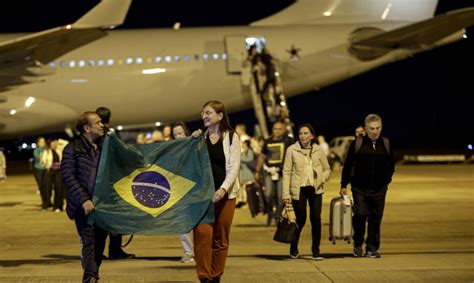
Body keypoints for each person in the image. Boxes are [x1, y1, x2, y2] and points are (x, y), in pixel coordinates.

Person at [192, 100, 240, 283]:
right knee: (203, 235)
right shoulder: (200, 139)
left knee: (221, 238)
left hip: (226, 195)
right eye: (203, 112)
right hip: (203, 197)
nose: (204, 116)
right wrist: (192, 141)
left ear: (219, 116)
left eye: (208, 113)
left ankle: (215, 275)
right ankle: (204, 277)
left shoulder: (231, 137)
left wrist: (223, 189)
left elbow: (234, 168)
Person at [61, 111, 108, 283]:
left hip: (101, 207)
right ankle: (91, 278)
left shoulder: (104, 147)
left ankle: (92, 274)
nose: (102, 125)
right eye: (98, 122)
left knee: (100, 245)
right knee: (89, 242)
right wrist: (83, 199)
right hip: (82, 207)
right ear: (87, 128)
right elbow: (68, 176)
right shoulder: (72, 148)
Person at [340, 114, 395, 259]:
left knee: (376, 218)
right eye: (372, 128)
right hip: (359, 188)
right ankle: (358, 244)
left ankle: (372, 248)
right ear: (366, 129)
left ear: (381, 128)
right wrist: (343, 184)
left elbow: (391, 165)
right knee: (361, 215)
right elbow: (348, 165)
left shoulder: (386, 143)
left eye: (378, 128)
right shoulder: (357, 144)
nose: (375, 131)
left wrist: (386, 181)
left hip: (379, 189)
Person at [282, 124, 331, 260]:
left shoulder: (318, 150)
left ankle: (316, 250)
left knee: (316, 219)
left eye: (305, 133)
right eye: (301, 133)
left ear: (312, 136)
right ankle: (293, 246)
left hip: (316, 189)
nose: (303, 136)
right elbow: (286, 172)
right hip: (299, 190)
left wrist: (322, 178)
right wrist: (286, 194)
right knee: (301, 219)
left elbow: (327, 169)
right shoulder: (291, 150)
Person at [95, 106, 135, 260]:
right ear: (109, 119)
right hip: (112, 183)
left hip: (98, 183)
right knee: (115, 218)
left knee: (100, 220)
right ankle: (115, 250)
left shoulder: (93, 137)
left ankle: (97, 252)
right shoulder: (110, 136)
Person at [254, 121, 293, 225]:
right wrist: (257, 171)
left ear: (284, 130)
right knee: (268, 194)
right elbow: (262, 156)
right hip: (268, 172)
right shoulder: (267, 141)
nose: (277, 131)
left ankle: (277, 216)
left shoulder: (289, 141)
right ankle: (270, 212)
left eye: (280, 129)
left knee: (281, 196)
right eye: (275, 129)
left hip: (282, 173)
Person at [170, 121, 195, 263]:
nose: (178, 136)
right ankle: (188, 252)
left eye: (180, 133)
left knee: (199, 222)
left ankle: (201, 251)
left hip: (195, 189)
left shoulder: (195, 147)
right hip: (179, 189)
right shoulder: (172, 151)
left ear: (186, 133)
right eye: (175, 135)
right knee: (183, 223)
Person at [33, 137, 47, 204]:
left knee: (46, 186)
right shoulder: (36, 150)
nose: (43, 143)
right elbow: (38, 158)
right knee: (41, 186)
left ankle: (47, 201)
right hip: (38, 169)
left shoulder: (46, 150)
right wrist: (43, 154)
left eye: (44, 141)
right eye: (41, 141)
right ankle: (44, 201)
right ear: (38, 143)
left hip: (45, 169)